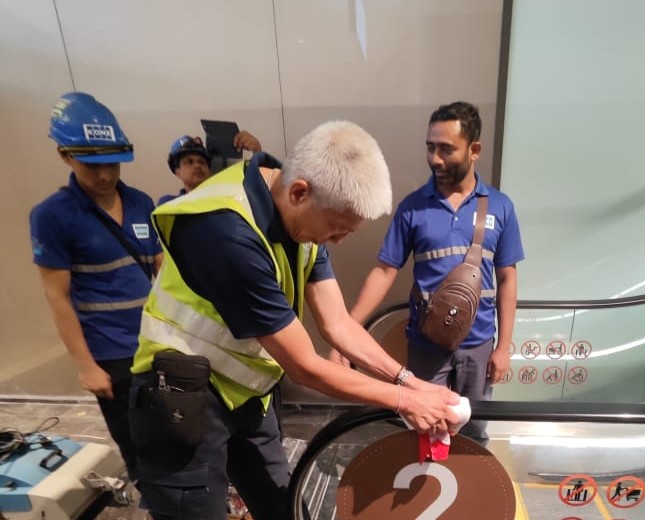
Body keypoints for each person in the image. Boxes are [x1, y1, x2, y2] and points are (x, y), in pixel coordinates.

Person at [129, 120, 462, 520]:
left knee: (283, 504)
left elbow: (338, 323)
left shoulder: (303, 218)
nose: (336, 242)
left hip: (246, 394)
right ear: (300, 192)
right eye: (337, 229)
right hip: (180, 396)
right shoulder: (223, 230)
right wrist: (403, 401)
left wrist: (408, 382)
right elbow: (305, 365)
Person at [334, 101, 524, 446]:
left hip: (479, 344)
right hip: (426, 344)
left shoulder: (500, 206)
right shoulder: (413, 207)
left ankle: (469, 492)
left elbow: (507, 279)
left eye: (446, 149)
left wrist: (504, 347)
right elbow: (384, 270)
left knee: (475, 429)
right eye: (430, 147)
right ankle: (428, 492)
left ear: (474, 150)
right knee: (422, 427)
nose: (435, 158)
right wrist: (346, 333)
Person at [29, 92, 164, 479]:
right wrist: (86, 365)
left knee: (172, 430)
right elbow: (57, 296)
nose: (105, 175)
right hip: (110, 352)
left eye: (112, 164)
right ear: (65, 156)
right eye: (93, 166)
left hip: (154, 339)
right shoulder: (52, 216)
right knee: (136, 442)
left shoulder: (141, 202)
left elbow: (164, 271)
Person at [158, 131, 262, 205]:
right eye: (189, 162)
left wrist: (257, 153)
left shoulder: (228, 202)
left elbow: (259, 197)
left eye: (202, 162)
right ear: (177, 172)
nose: (197, 165)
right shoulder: (169, 204)